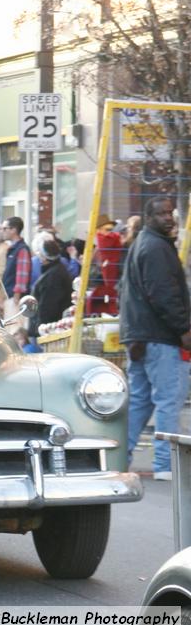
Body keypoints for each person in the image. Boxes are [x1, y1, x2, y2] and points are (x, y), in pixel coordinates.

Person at [119, 196, 191, 481]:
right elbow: (163, 295)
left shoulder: (145, 244)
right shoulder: (156, 247)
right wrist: (184, 329)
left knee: (140, 401)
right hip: (160, 337)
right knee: (168, 399)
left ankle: (119, 457)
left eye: (170, 213)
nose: (168, 218)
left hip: (141, 336)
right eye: (161, 213)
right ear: (148, 217)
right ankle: (164, 464)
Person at [29, 239, 72, 340]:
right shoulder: (56, 271)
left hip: (48, 331)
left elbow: (48, 306)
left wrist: (41, 328)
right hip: (49, 328)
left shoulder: (53, 276)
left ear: (44, 257)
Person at [1, 216, 32, 306]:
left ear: (13, 230)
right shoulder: (13, 248)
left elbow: (22, 277)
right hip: (9, 295)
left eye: (4, 229)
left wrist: (16, 298)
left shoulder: (22, 249)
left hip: (15, 299)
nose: (2, 232)